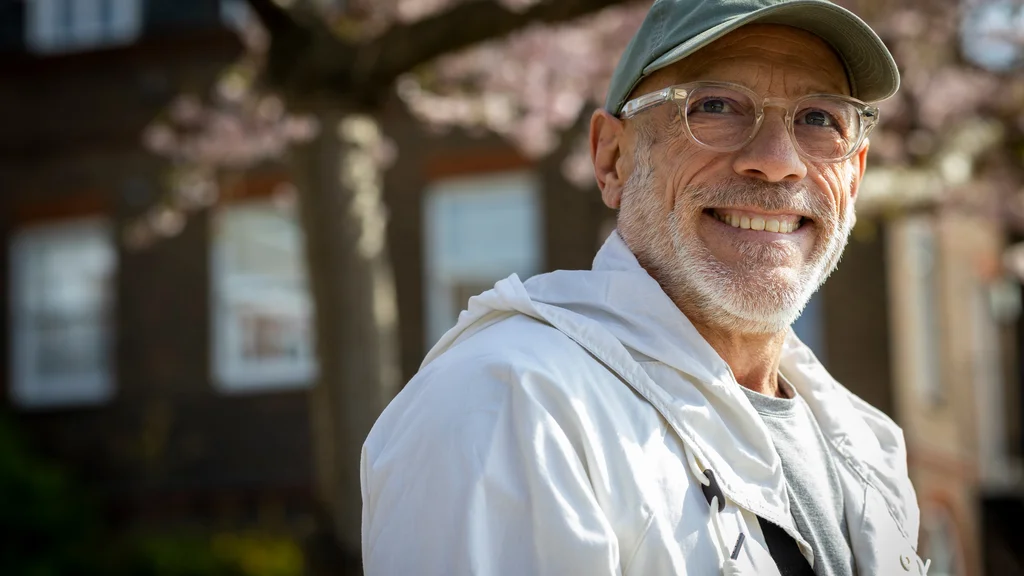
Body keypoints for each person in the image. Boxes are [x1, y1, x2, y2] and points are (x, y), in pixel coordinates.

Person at [361, 0, 928, 574]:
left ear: (854, 176)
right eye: (715, 106)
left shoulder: (866, 445)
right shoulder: (513, 406)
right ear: (612, 158)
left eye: (818, 119)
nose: (778, 162)